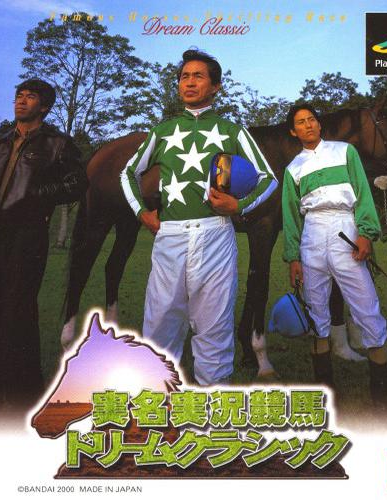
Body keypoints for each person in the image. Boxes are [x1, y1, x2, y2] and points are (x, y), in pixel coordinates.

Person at [121, 49, 277, 385]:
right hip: (170, 236)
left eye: (198, 76)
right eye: (184, 76)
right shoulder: (162, 131)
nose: (189, 82)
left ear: (216, 86)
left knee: (214, 328)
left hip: (215, 234)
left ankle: (212, 409)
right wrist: (141, 212)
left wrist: (240, 206)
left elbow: (269, 178)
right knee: (159, 327)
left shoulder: (232, 130)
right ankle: (159, 406)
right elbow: (127, 173)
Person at [0, 79, 88, 409]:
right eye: (19, 95)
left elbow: (77, 183)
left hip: (26, 238)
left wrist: (37, 198)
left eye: (30, 97)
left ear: (44, 107)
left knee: (17, 315)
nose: (21, 101)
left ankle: (23, 398)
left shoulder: (57, 144)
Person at [281, 103, 387, 409]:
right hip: (311, 235)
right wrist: (293, 257)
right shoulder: (293, 169)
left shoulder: (345, 152)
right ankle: (325, 394)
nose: (308, 125)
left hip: (345, 228)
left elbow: (363, 193)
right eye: (300, 122)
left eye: (311, 119)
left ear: (319, 124)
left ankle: (381, 400)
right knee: (317, 314)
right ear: (294, 131)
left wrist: (366, 232)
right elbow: (291, 217)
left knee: (367, 308)